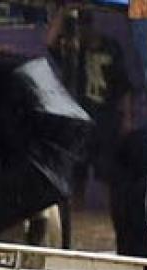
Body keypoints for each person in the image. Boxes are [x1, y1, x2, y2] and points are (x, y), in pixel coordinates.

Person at [47, 6, 132, 208]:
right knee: (77, 172)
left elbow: (123, 86)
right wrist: (63, 11)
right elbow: (50, 42)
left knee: (109, 174)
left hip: (105, 118)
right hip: (79, 117)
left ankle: (112, 213)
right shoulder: (74, 52)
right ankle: (77, 211)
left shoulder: (110, 47)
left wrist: (127, 117)